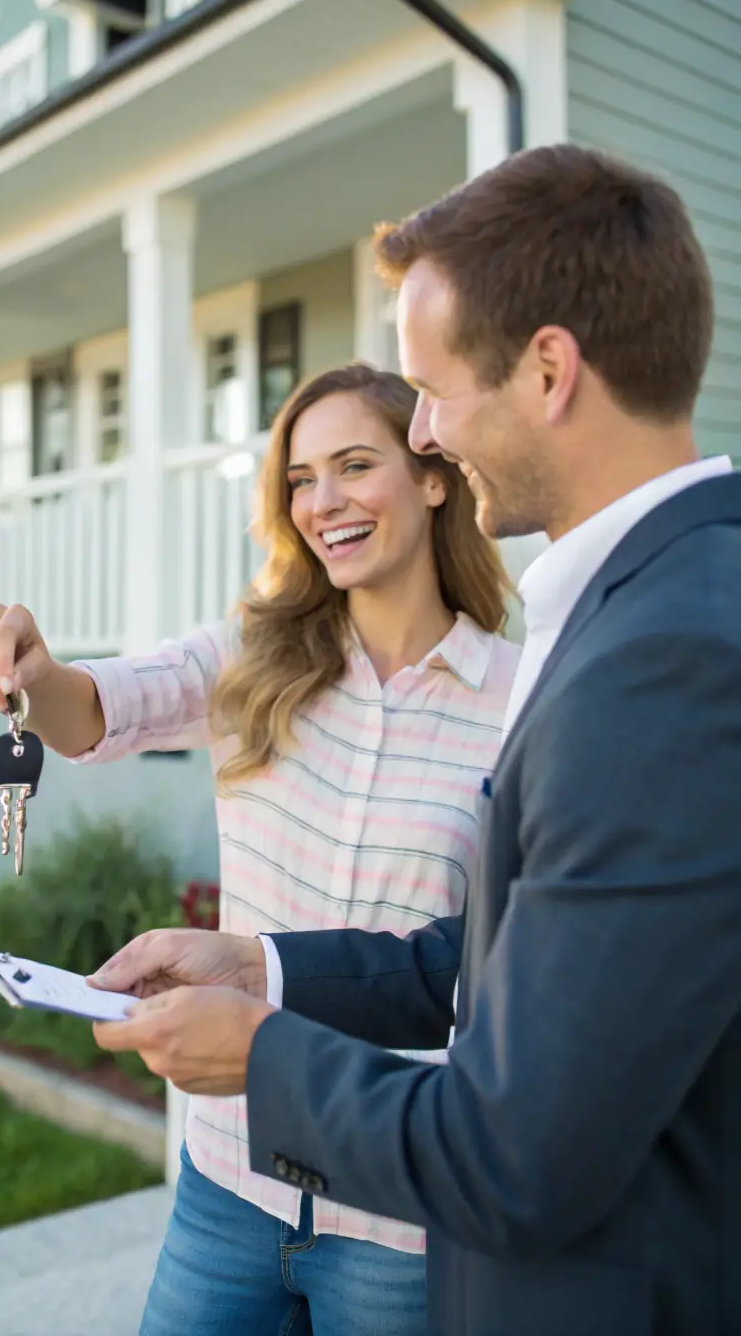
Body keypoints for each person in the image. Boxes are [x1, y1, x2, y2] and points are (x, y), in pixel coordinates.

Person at [91, 143, 741, 1336]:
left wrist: (265, 1051)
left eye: (432, 393)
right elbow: (507, 963)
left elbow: (519, 1147)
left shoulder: (665, 653)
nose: (431, 430)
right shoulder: (629, 606)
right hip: (237, 1192)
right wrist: (263, 968)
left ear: (547, 369)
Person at [0, 362, 520, 1336]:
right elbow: (93, 712)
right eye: (299, 479)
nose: (322, 501)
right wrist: (28, 675)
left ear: (433, 476)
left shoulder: (518, 698)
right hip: (225, 1177)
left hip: (396, 1211)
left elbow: (488, 961)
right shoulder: (252, 654)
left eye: (351, 466)